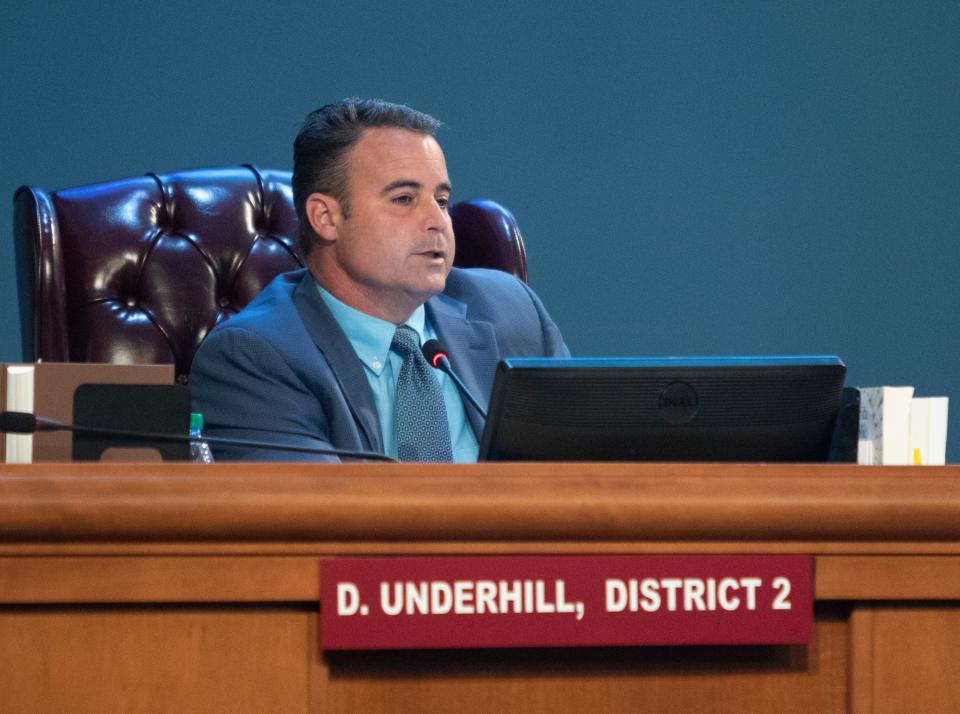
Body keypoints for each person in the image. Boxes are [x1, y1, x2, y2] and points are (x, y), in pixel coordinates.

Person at [189, 98, 568, 461]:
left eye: (441, 200)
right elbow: (320, 515)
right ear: (326, 218)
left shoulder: (513, 313)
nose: (438, 221)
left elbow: (591, 471)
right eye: (404, 199)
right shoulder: (256, 356)